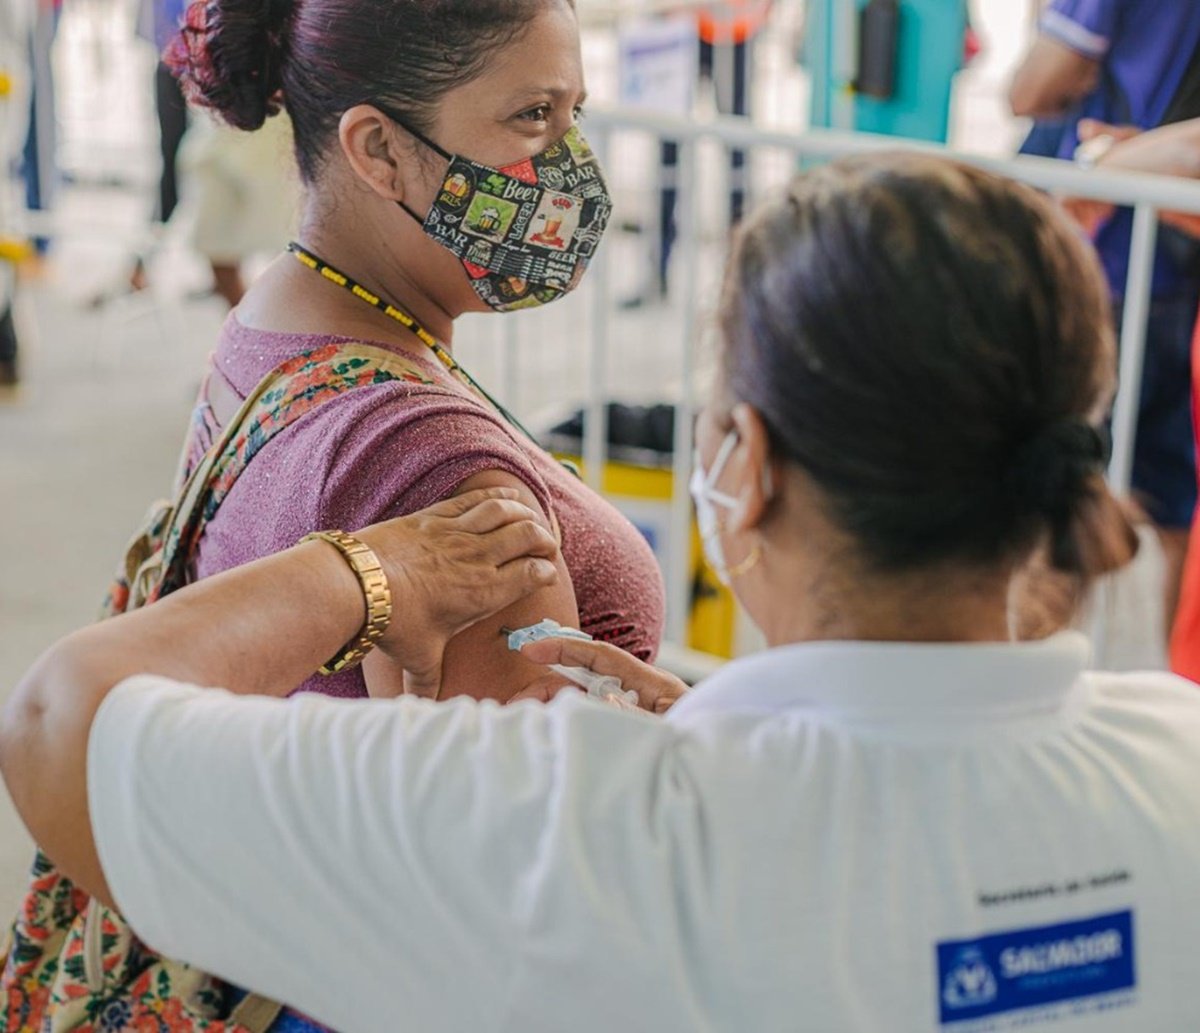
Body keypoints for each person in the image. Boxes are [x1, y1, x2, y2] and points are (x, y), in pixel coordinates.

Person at [9, 154, 1200, 1031]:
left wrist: (374, 569)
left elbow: (62, 722)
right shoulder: (1174, 756)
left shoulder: (564, 834)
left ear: (750, 463)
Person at [163, 0, 663, 702]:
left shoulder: (274, 319)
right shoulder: (455, 495)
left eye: (572, 114)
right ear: (379, 150)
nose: (572, 167)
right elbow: (516, 805)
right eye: (531, 115)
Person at [1010, 0, 1200, 629]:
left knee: (1059, 489)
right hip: (1167, 255)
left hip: (1115, 261)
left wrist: (1107, 164)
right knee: (1174, 501)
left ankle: (1033, 691)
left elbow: (1032, 87)